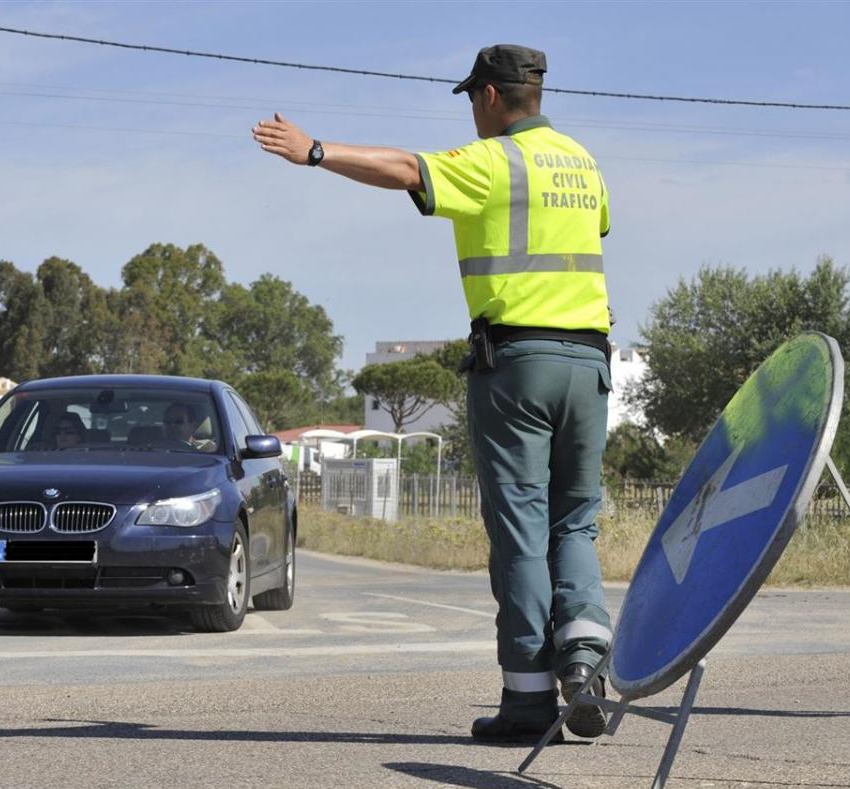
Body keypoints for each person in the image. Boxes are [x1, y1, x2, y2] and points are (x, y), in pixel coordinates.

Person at [252, 44, 612, 744]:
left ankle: (530, 704)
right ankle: (587, 661)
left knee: (521, 532)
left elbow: (407, 169)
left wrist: (315, 151)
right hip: (590, 363)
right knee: (576, 523)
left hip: (520, 363)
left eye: (471, 100)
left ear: (487, 97)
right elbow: (588, 234)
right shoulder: (584, 163)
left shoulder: (494, 161)